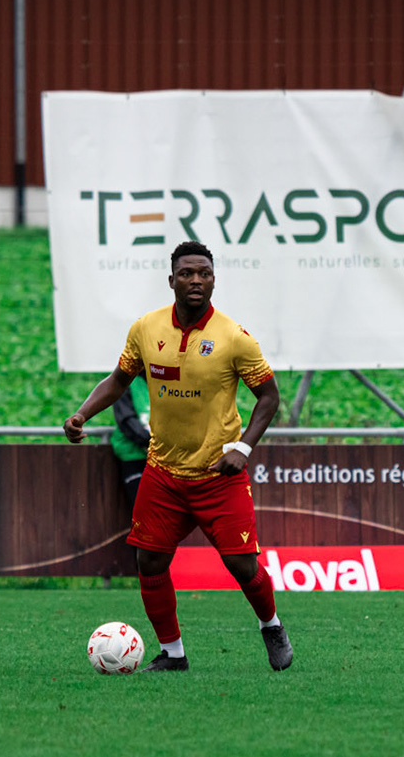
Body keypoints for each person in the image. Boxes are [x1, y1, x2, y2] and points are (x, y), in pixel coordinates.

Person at [63, 241, 291, 671]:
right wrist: (81, 413)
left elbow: (269, 398)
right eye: (187, 273)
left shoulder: (234, 338)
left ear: (213, 280)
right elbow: (118, 380)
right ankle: (173, 654)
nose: (196, 280)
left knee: (243, 567)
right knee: (149, 560)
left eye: (204, 273)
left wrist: (243, 447)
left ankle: (271, 625)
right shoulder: (146, 329)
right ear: (172, 280)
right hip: (164, 471)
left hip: (217, 474)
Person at [107, 377, 151, 508]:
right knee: (143, 509)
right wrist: (149, 442)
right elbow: (126, 421)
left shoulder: (171, 380)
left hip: (165, 458)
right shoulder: (126, 381)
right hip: (135, 457)